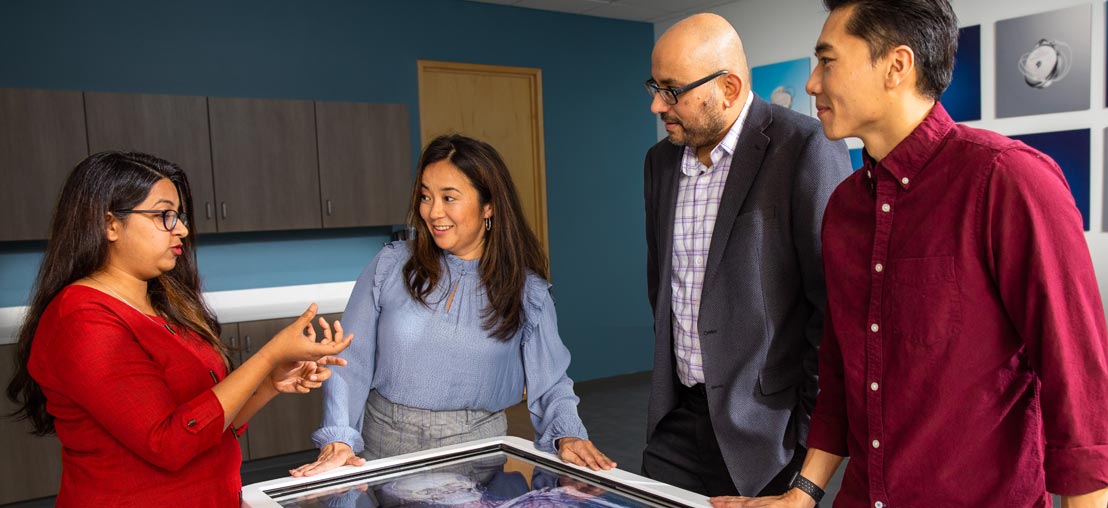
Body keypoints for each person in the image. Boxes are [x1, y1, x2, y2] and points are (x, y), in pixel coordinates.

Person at [711, 1, 1108, 507]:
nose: (812, 83)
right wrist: (804, 492)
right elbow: (839, 370)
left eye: (827, 61)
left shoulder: (1007, 181)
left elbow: (1076, 383)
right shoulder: (845, 207)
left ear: (896, 66)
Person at [4, 151, 353, 508]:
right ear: (109, 224)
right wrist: (267, 356)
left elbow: (208, 425)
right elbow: (169, 443)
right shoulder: (82, 319)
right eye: (164, 215)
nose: (182, 229)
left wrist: (268, 383)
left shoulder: (163, 303)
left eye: (180, 216)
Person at [292, 134, 615, 477]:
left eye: (449, 198)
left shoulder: (526, 291)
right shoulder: (389, 265)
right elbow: (348, 361)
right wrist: (339, 439)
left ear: (488, 206)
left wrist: (568, 434)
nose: (433, 212)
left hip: (476, 453)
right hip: (382, 447)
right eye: (426, 197)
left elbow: (550, 382)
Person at [641, 13, 852, 498]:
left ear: (730, 88)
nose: (657, 105)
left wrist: (804, 438)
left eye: (671, 91)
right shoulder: (659, 163)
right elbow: (663, 286)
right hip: (676, 421)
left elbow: (832, 308)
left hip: (767, 432)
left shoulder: (805, 148)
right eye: (654, 86)